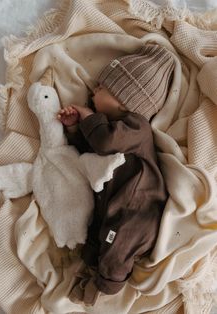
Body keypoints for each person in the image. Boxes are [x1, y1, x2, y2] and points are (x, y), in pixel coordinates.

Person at [57, 44, 175, 306]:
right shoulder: (106, 128)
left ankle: (105, 288)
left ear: (125, 101)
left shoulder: (137, 127)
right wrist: (76, 129)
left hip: (138, 211)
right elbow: (89, 154)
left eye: (101, 88)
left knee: (118, 246)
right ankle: (90, 268)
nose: (94, 91)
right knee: (97, 236)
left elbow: (105, 143)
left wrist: (88, 118)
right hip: (114, 204)